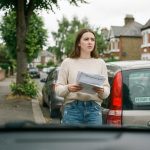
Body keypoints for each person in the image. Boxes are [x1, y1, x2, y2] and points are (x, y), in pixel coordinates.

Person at [55, 28, 110, 126]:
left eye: (92, 39)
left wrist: (102, 91)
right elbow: (58, 89)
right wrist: (68, 88)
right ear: (79, 43)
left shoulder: (100, 63)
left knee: (93, 142)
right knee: (73, 141)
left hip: (94, 109)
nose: (90, 42)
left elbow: (106, 91)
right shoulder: (67, 62)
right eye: (86, 39)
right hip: (72, 109)